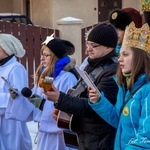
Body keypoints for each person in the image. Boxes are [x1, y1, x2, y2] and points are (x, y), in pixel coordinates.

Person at [44, 22, 119, 150]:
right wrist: (62, 107)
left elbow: (93, 106)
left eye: (94, 46)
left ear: (109, 48)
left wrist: (60, 98)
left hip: (101, 139)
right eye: (88, 44)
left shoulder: (113, 71)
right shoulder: (92, 64)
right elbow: (78, 92)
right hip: (85, 135)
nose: (88, 49)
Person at [6, 34, 78, 150]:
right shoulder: (46, 77)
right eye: (42, 55)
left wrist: (43, 105)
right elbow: (33, 105)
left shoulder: (68, 78)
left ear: (56, 57)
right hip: (45, 134)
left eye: (46, 55)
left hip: (60, 136)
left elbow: (69, 109)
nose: (41, 58)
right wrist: (18, 97)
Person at [88, 22, 150, 149]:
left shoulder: (147, 90)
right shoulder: (125, 87)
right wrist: (99, 102)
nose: (120, 59)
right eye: (119, 55)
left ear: (140, 58)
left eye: (125, 55)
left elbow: (145, 140)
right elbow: (119, 120)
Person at [0, 33, 32, 149]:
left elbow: (19, 96)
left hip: (11, 121)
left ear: (7, 49)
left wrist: (8, 97)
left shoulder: (16, 68)